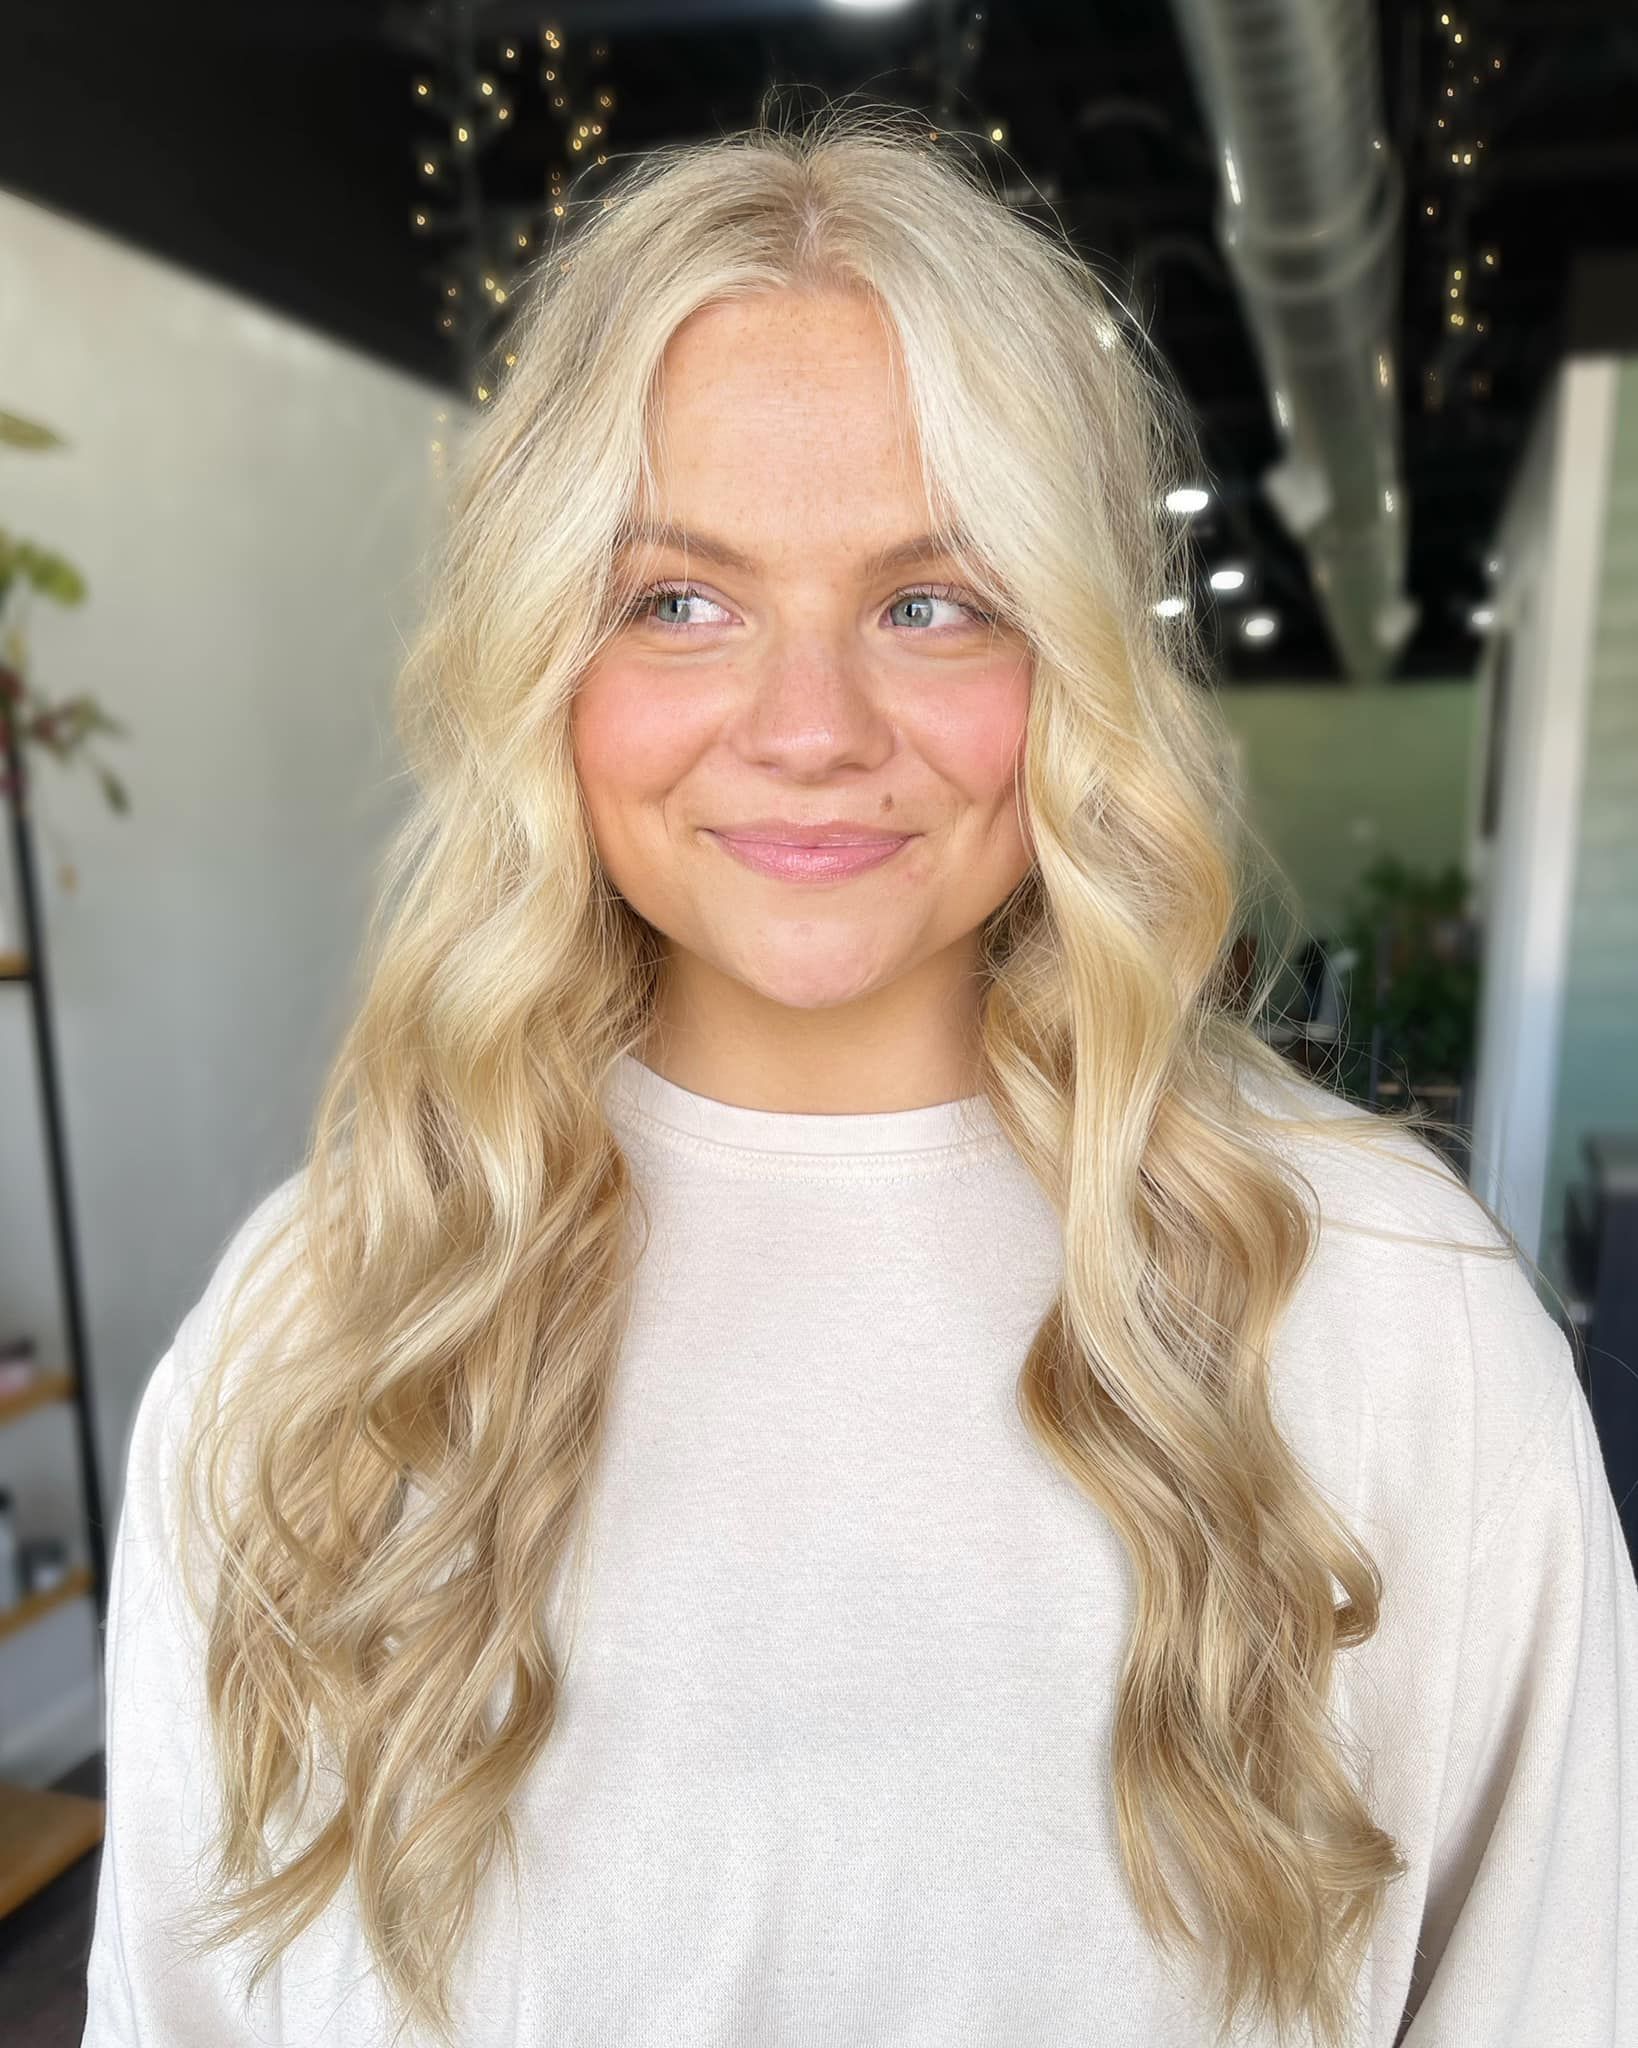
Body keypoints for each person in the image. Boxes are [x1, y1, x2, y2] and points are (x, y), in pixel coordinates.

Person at [81, 101, 1638, 2048]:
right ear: (544, 660)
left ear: (1069, 653)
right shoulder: (313, 1335)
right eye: (680, 600)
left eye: (932, 598)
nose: (808, 725)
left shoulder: (1398, 1319)